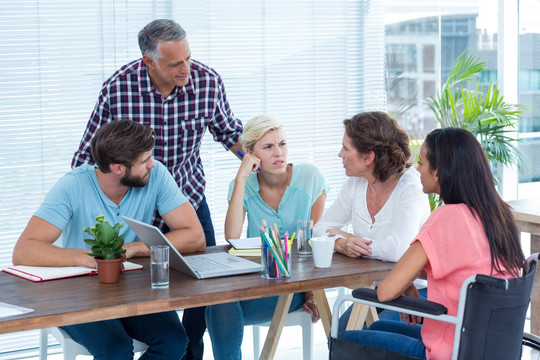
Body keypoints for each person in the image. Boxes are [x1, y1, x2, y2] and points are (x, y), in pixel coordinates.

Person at [71, 19, 243, 359]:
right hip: (134, 209)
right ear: (148, 61)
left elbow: (230, 135)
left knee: (201, 294)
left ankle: (189, 352)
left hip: (187, 202)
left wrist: (261, 162)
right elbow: (87, 158)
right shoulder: (118, 89)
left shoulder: (207, 82)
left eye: (189, 58)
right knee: (137, 288)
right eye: (175, 63)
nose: (187, 69)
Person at [13, 120, 206, 360]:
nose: (152, 164)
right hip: (79, 291)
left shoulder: (156, 176)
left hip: (133, 288)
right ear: (118, 168)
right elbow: (24, 250)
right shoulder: (73, 185)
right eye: (145, 160)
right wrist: (94, 258)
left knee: (175, 341)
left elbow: (195, 236)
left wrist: (132, 248)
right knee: (115, 350)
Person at [336, 127, 525, 359]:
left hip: (449, 349)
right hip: (486, 347)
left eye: (422, 163)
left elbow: (385, 292)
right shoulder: (499, 215)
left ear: (438, 172)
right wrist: (406, 282)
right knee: (375, 328)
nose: (417, 170)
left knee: (343, 339)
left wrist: (403, 282)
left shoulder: (447, 217)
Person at [205, 115, 329, 360]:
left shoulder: (309, 177)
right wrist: (241, 177)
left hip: (296, 285)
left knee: (216, 308)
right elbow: (232, 236)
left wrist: (312, 293)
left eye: (282, 144)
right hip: (256, 284)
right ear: (250, 153)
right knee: (218, 303)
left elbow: (317, 239)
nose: (278, 153)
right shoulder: (244, 185)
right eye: (268, 147)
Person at [312, 111, 430, 329]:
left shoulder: (410, 187)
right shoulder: (356, 184)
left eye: (346, 149)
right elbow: (320, 229)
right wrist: (343, 241)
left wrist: (353, 241)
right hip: (379, 287)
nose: (340, 154)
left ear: (368, 157)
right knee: (338, 336)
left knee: (357, 338)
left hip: (415, 291)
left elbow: (397, 250)